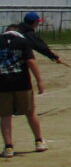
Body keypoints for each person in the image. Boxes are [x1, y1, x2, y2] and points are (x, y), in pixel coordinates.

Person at [0, 27, 47, 157]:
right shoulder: (23, 41)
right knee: (30, 113)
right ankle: (39, 141)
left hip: (2, 84)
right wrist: (39, 81)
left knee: (5, 115)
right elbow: (30, 61)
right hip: (22, 83)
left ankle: (8, 147)